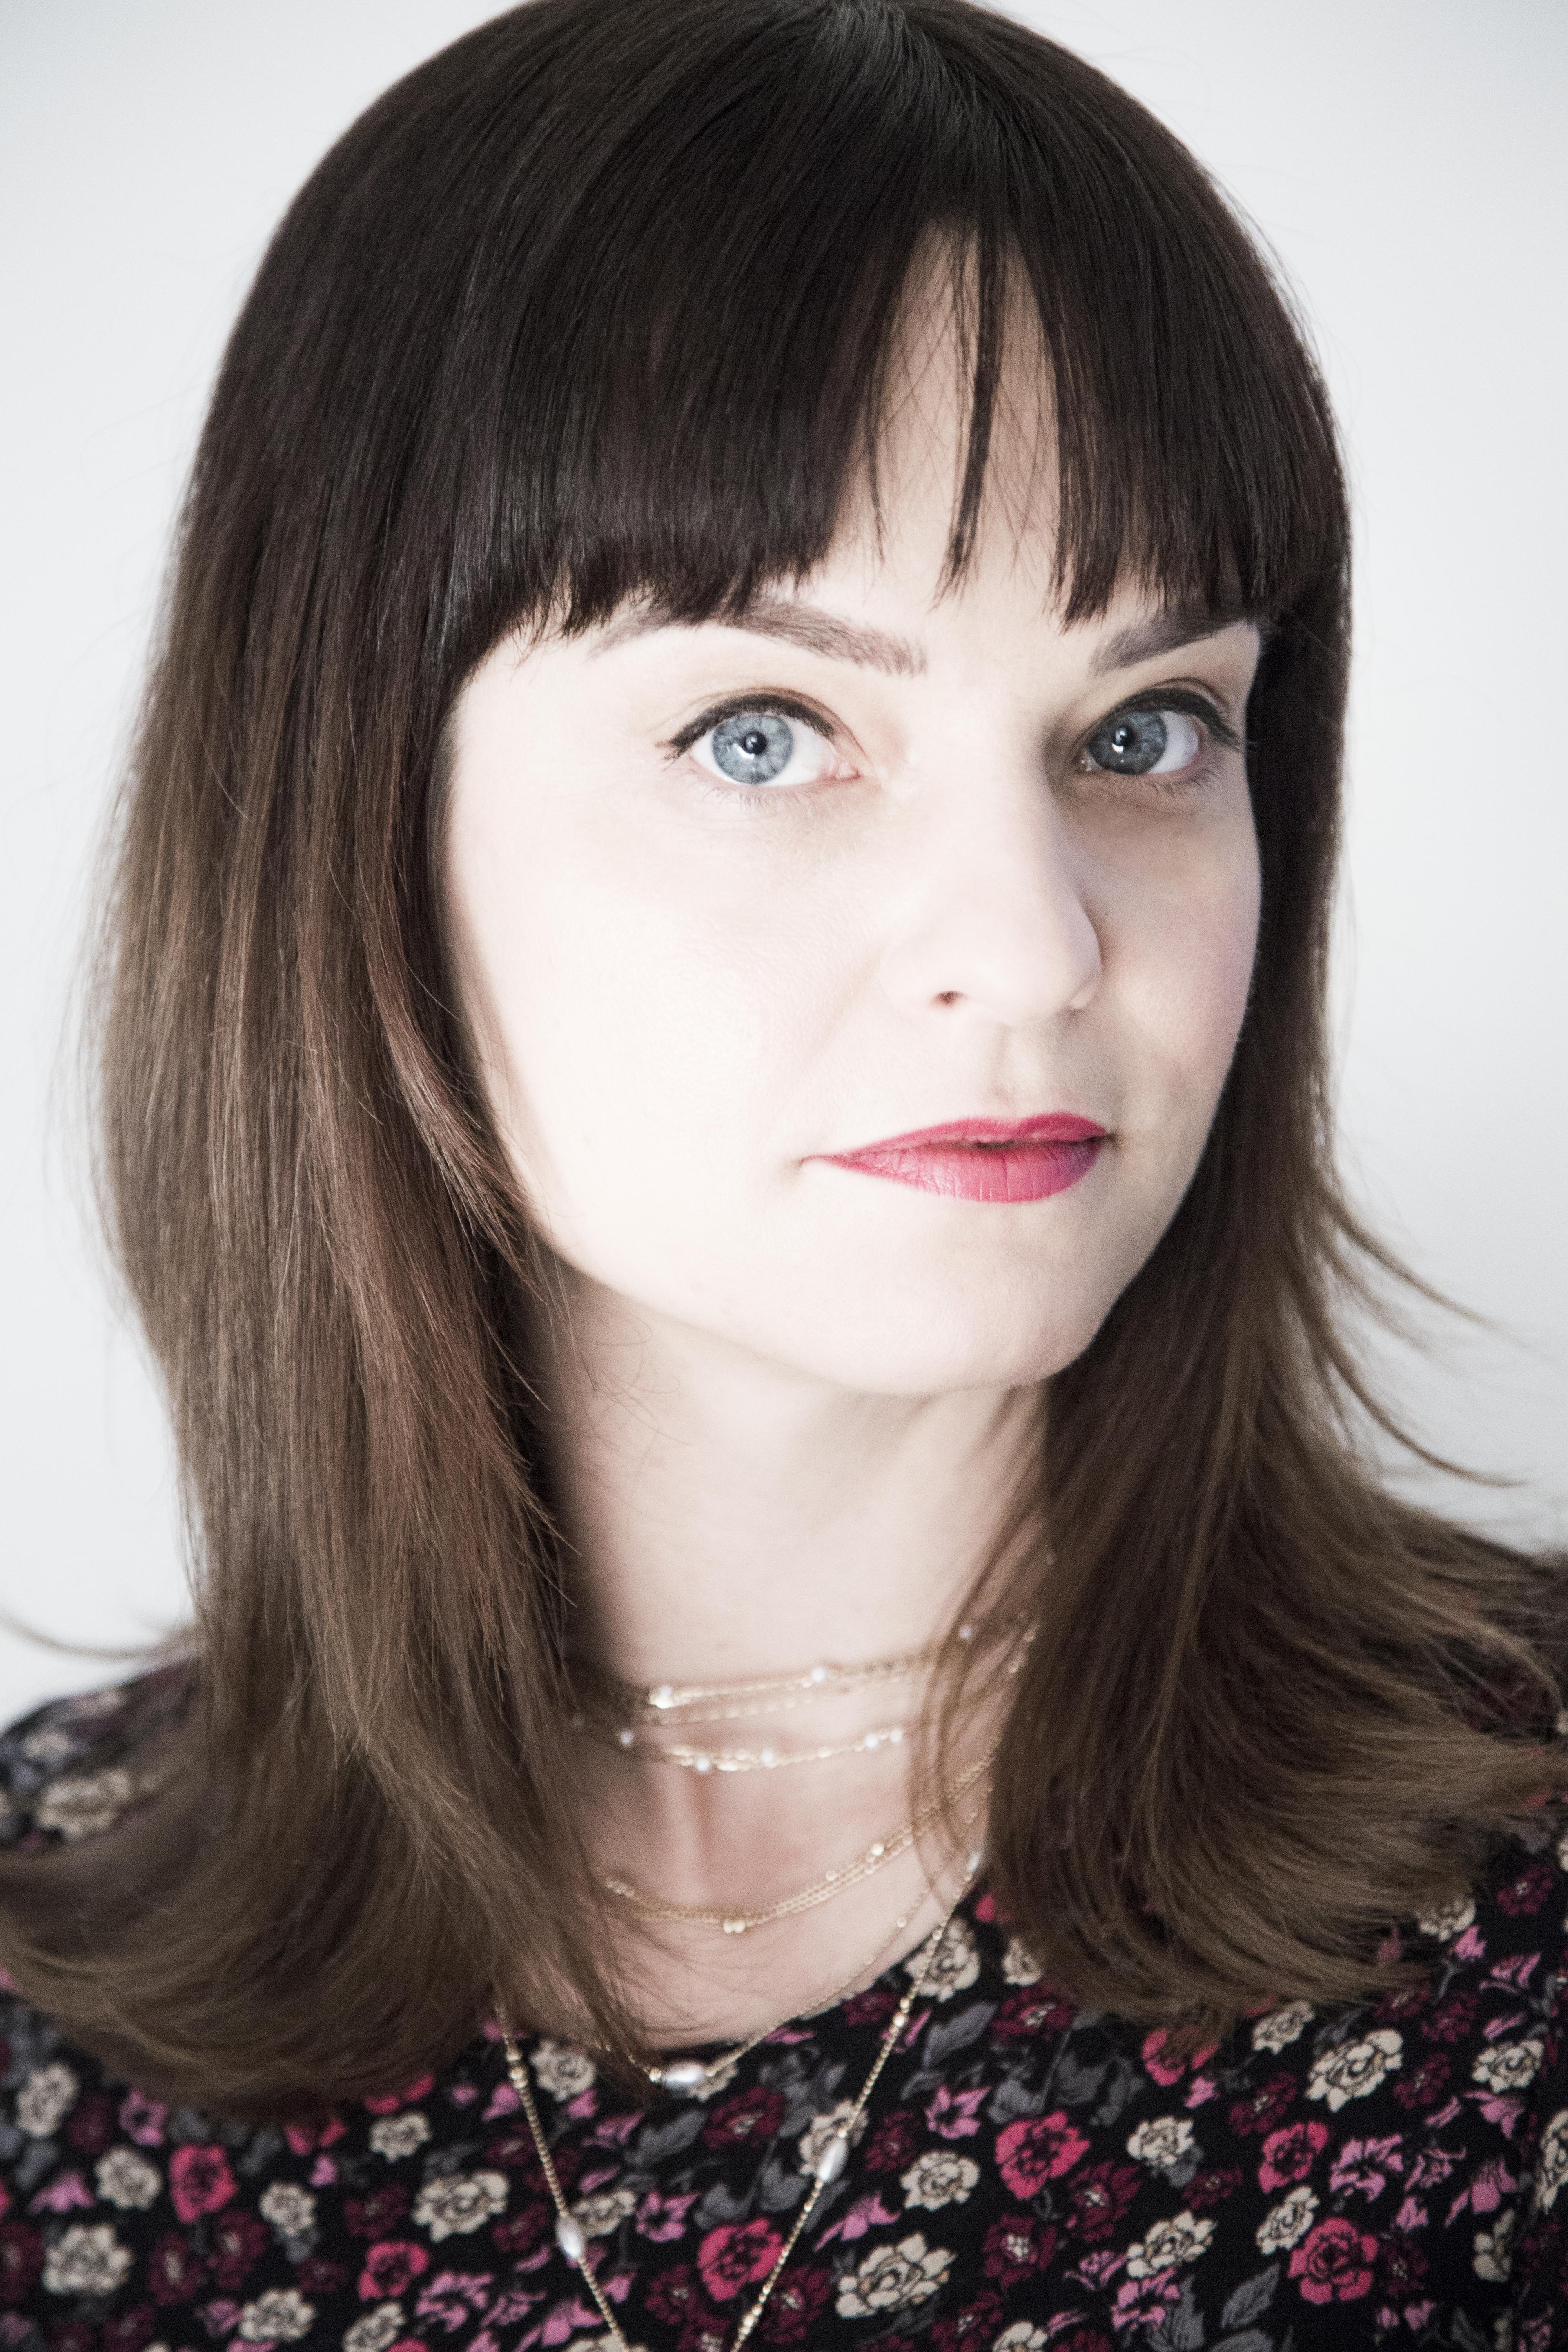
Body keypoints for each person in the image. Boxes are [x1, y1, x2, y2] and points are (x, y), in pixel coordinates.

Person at [1, 0, 1564, 2343]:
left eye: (1146, 730)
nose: (1033, 944)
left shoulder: (1522, 1933)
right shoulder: (47, 1984)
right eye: (769, 730)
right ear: (354, 822)